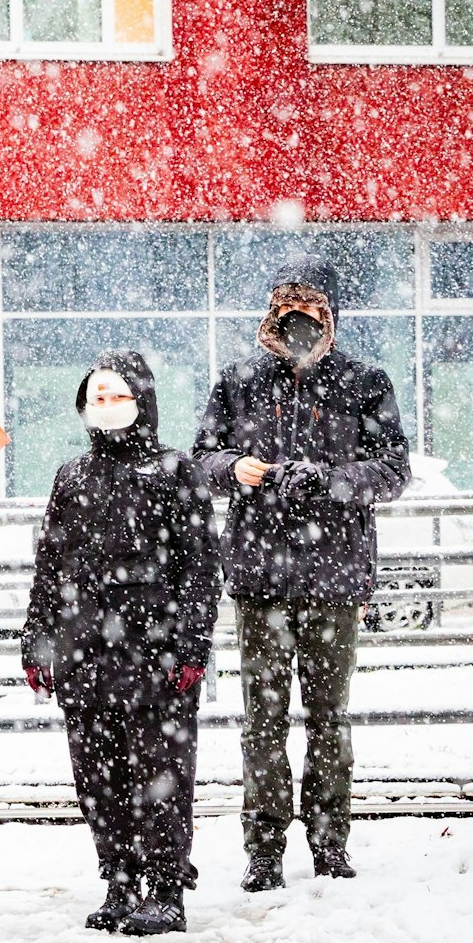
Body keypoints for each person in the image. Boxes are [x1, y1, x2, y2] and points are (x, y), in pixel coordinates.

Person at [193, 257, 410, 892]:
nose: (300, 326)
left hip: (335, 577)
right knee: (262, 720)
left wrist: (333, 480)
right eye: (288, 315)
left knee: (329, 716)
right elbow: (200, 459)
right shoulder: (238, 383)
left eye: (312, 315)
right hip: (261, 577)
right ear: (270, 318)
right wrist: (235, 468)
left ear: (331, 319)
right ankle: (263, 850)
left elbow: (394, 469)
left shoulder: (364, 382)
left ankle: (329, 842)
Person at [23, 350, 220, 936]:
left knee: (159, 770)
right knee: (98, 773)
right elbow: (51, 563)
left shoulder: (176, 472)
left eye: (119, 396)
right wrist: (38, 638)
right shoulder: (71, 475)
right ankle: (120, 880)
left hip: (155, 650)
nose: (107, 406)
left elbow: (200, 568)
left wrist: (192, 646)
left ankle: (165, 887)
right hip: (84, 650)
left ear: (143, 402)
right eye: (97, 397)